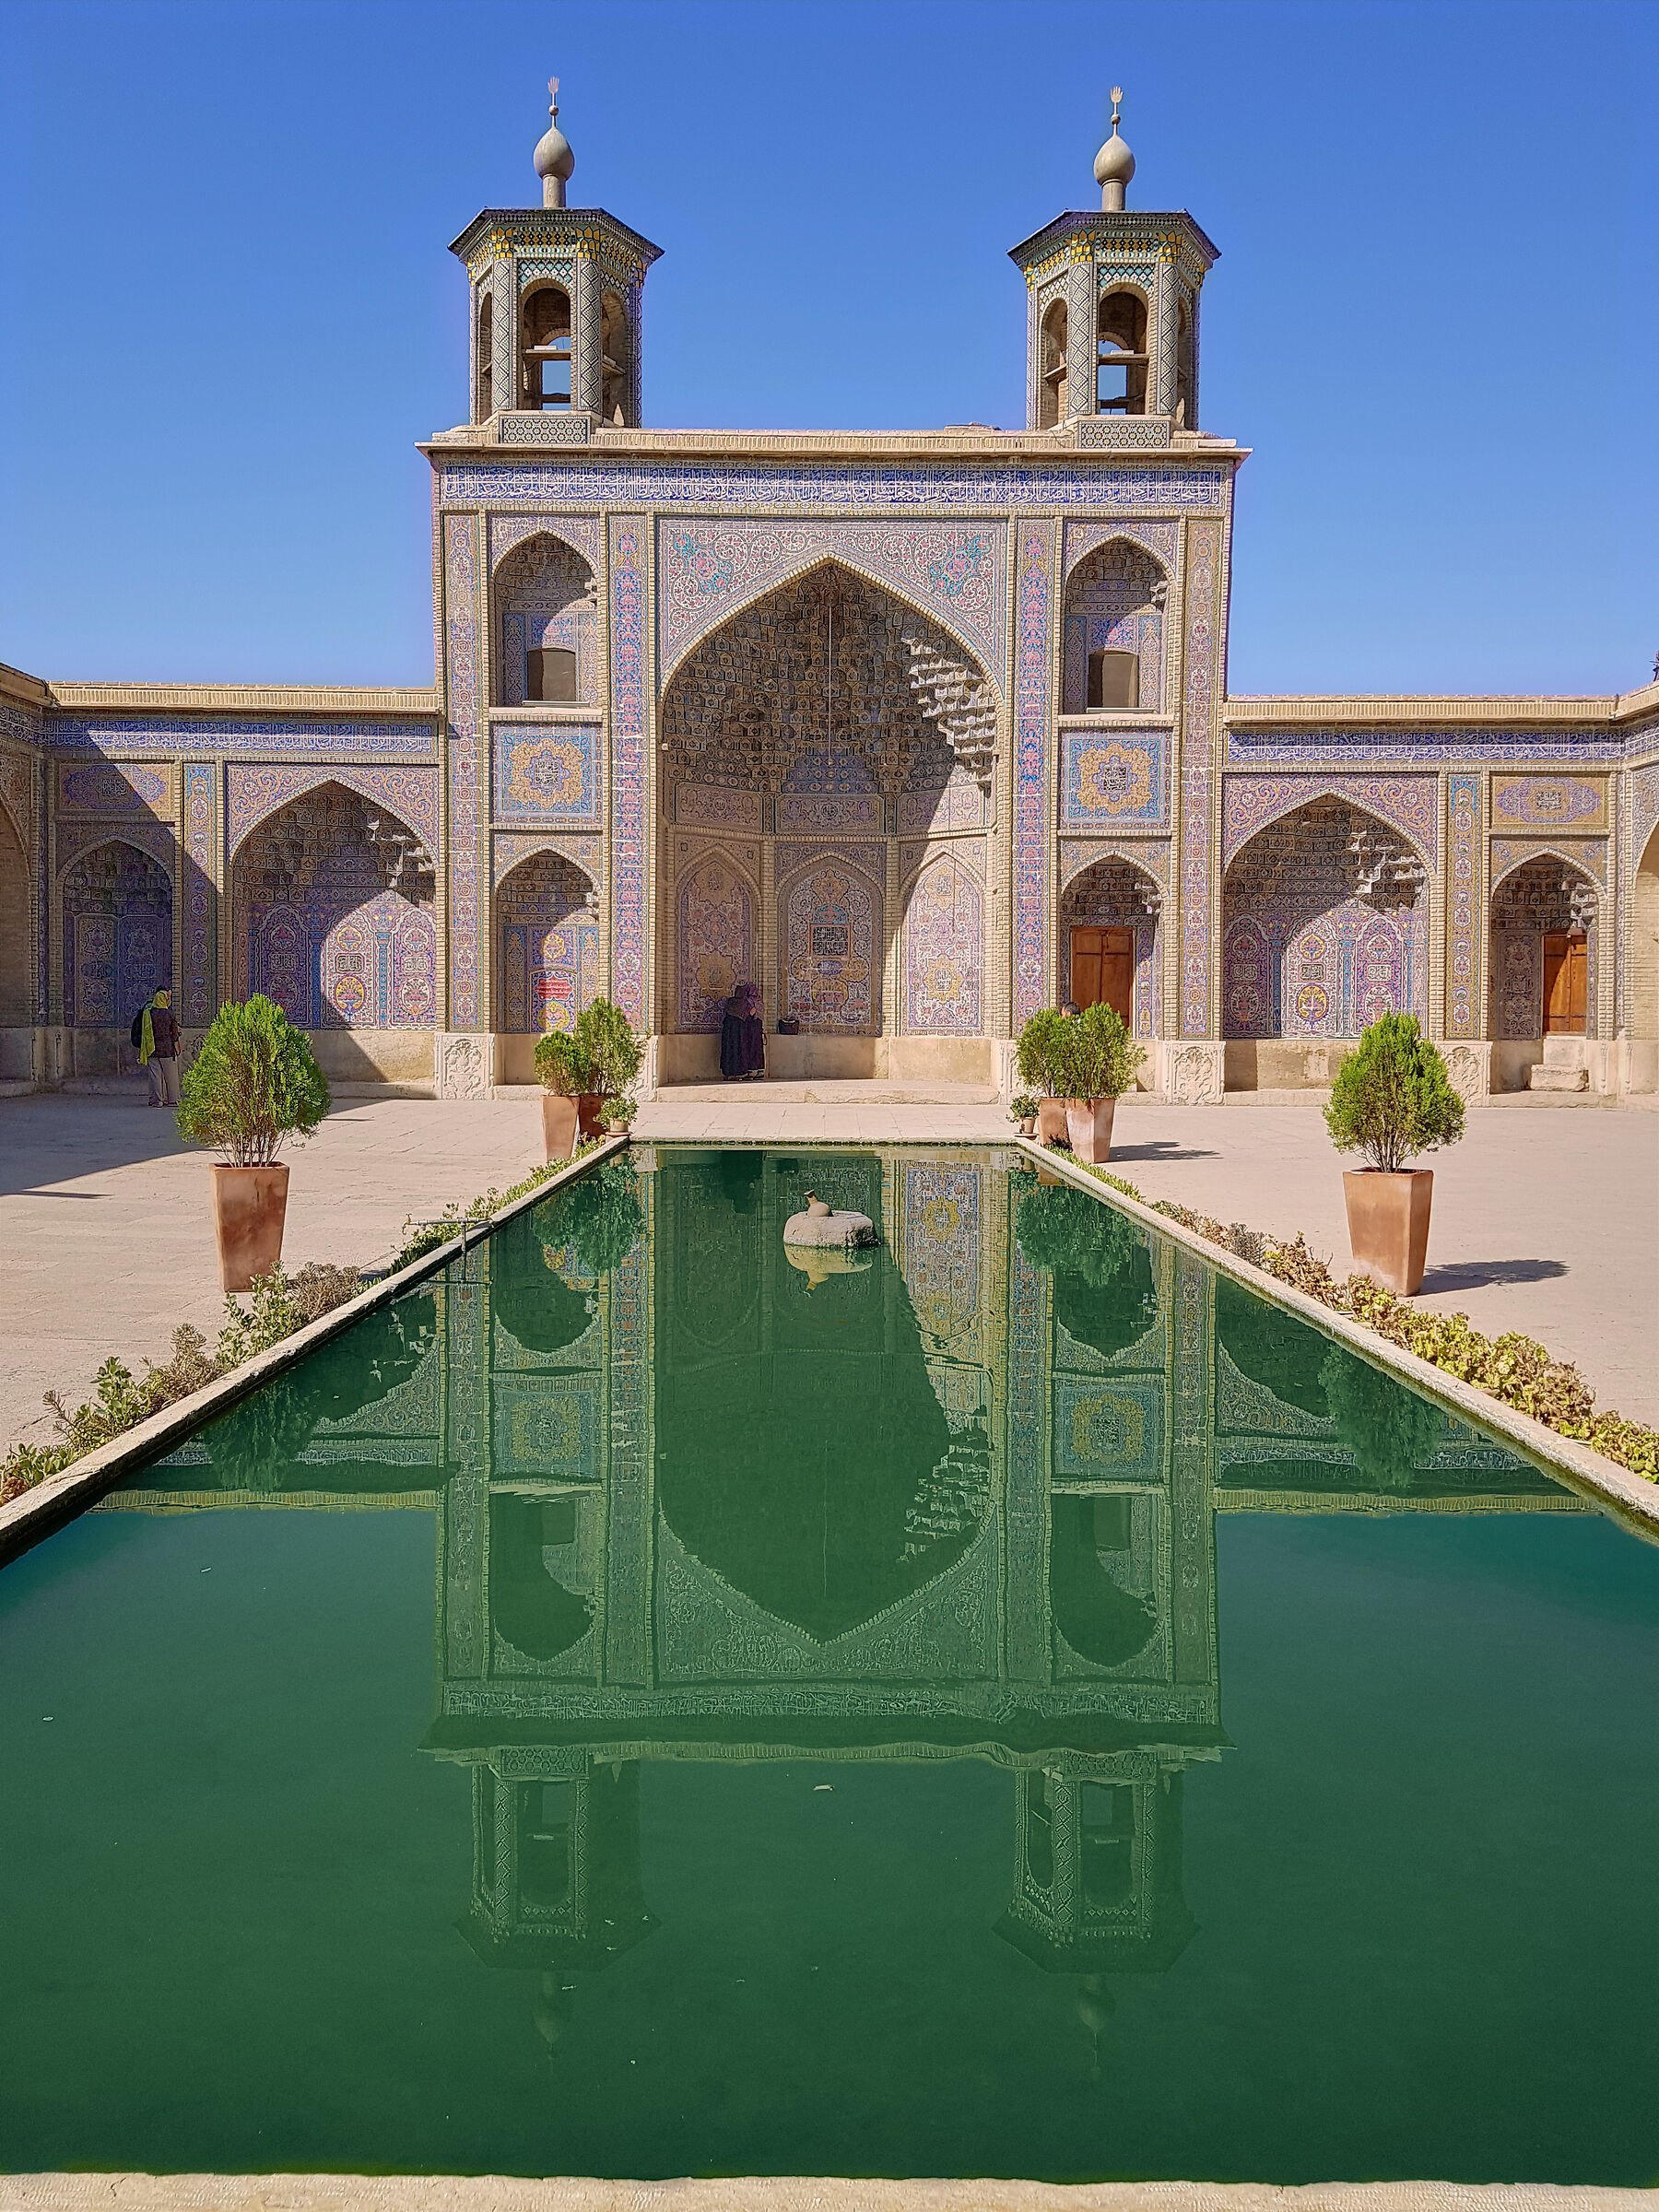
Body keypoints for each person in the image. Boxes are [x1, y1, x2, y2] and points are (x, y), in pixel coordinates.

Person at [138, 987, 182, 1107]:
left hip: (152, 1049)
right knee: (171, 1076)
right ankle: (173, 1100)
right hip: (167, 1049)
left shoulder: (149, 1013)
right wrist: (176, 1046)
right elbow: (174, 1032)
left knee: (155, 1076)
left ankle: (157, 1100)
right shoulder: (169, 1014)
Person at [719, 982, 766, 1082]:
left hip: (735, 1034)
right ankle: (744, 1072)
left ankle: (735, 1073)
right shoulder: (749, 1004)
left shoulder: (732, 1002)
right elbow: (750, 1015)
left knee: (734, 1051)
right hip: (741, 1034)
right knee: (741, 1051)